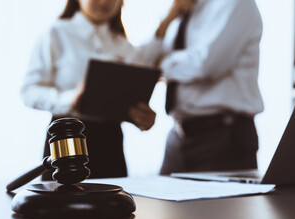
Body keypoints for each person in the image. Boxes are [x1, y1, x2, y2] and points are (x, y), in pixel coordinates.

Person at [21, 0, 166, 179]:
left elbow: (127, 99)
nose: (104, 1)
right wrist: (70, 99)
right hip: (66, 139)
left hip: (110, 144)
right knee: (61, 202)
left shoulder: (125, 46)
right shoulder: (56, 33)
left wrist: (142, 118)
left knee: (112, 204)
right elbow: (29, 91)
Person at [157, 0, 264, 174]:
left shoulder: (235, 3)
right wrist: (167, 20)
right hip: (178, 135)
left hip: (223, 137)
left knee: (221, 202)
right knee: (156, 200)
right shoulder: (180, 9)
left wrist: (162, 65)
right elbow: (149, 56)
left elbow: (207, 64)